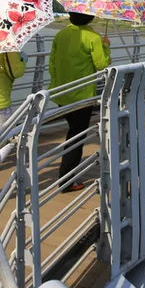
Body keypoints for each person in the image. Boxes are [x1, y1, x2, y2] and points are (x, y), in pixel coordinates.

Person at [49, 11, 111, 192]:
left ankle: (67, 176)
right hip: (82, 95)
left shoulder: (60, 35)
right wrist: (106, 47)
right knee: (76, 136)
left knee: (72, 131)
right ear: (90, 18)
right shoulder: (93, 37)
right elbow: (101, 64)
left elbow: (52, 64)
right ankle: (67, 180)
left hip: (61, 92)